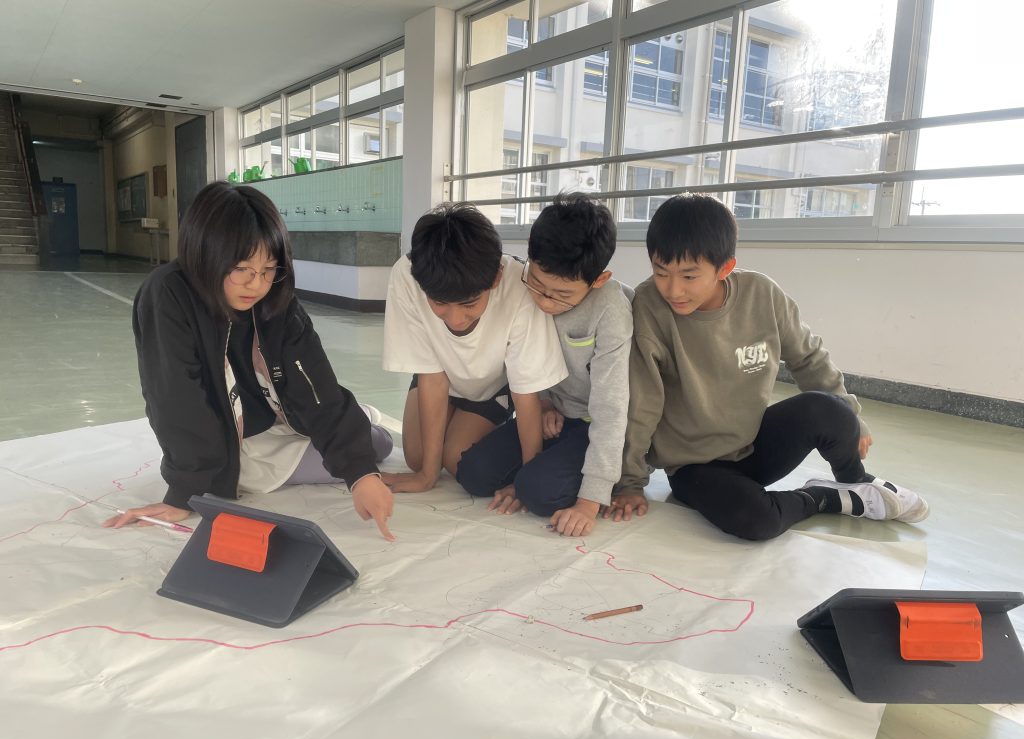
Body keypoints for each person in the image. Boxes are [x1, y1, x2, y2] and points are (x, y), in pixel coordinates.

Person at [610, 193, 929, 540]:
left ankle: (855, 482)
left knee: (830, 409)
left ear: (724, 268)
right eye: (661, 272)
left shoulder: (761, 293)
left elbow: (808, 358)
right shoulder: (649, 307)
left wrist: (853, 421)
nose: (673, 289)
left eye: (689, 276)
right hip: (694, 466)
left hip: (754, 444)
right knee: (756, 521)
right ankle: (822, 498)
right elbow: (642, 402)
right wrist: (630, 482)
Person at [103, 181, 396, 540]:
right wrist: (185, 492)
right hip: (234, 441)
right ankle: (359, 422)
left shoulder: (276, 298)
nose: (256, 285)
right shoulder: (168, 294)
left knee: (370, 449)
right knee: (376, 444)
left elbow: (314, 379)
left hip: (278, 416)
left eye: (269, 269)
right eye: (242, 268)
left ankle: (357, 424)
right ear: (205, 255)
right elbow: (176, 399)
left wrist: (361, 474)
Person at [456, 194, 632, 537]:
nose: (545, 302)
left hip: (595, 425)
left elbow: (611, 409)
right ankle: (538, 474)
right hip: (551, 415)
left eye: (562, 295)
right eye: (536, 284)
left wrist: (589, 502)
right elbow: (525, 360)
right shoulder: (522, 284)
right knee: (473, 474)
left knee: (539, 493)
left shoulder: (611, 309)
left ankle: (607, 474)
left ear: (599, 279)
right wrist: (545, 403)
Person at [381, 202, 567, 494]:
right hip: (439, 375)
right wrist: (427, 475)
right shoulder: (407, 274)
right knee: (418, 459)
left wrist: (528, 477)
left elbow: (525, 390)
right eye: (439, 303)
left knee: (457, 459)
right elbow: (432, 375)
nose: (455, 319)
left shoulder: (519, 287)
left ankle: (491, 424)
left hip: (492, 387)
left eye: (469, 304)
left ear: (496, 278)